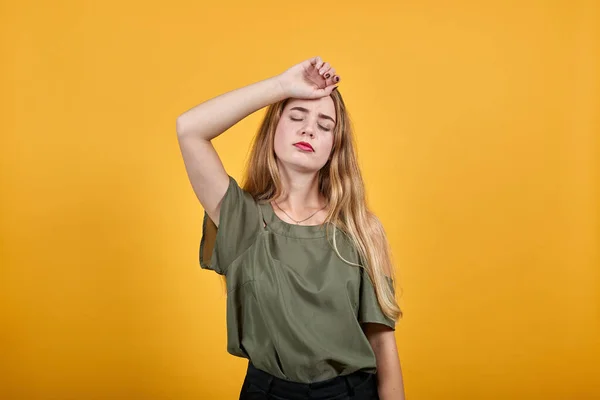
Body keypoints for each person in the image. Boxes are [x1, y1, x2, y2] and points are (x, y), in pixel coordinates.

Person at [176, 56, 405, 400]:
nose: (309, 129)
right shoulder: (242, 219)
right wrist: (282, 86)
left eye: (325, 125)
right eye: (296, 117)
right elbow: (189, 128)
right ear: (274, 129)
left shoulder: (361, 228)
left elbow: (382, 342)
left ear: (333, 148)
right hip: (267, 392)